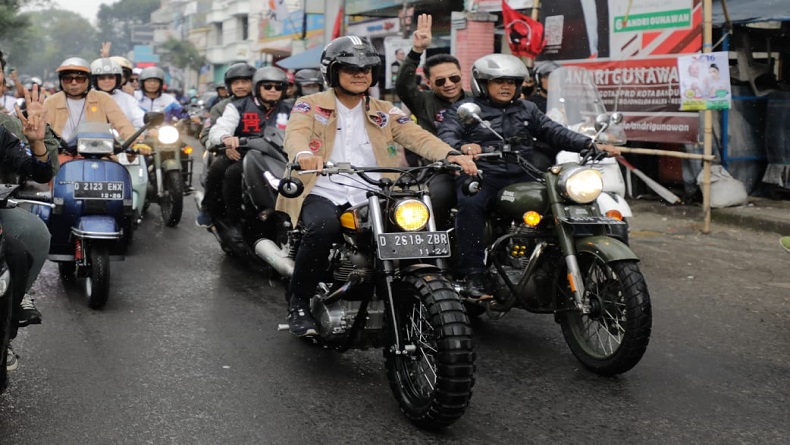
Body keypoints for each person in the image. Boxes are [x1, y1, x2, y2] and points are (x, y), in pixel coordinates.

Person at [275, 36, 478, 337]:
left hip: (375, 190)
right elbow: (296, 134)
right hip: (324, 188)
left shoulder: (386, 109)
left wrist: (451, 154)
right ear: (332, 72)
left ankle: (413, 295)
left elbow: (417, 136)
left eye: (367, 69)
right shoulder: (310, 104)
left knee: (412, 230)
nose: (360, 74)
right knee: (321, 229)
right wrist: (303, 154)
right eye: (350, 68)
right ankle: (299, 302)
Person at [437, 54, 621, 296]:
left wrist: (590, 145)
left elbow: (554, 131)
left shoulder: (527, 109)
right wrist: (462, 148)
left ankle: (573, 260)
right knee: (471, 203)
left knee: (567, 199)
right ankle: (473, 273)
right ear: (481, 83)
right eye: (499, 81)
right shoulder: (466, 110)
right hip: (483, 174)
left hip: (522, 172)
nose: (506, 86)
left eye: (512, 82)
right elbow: (446, 135)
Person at [395, 13, 473, 229]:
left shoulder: (476, 99)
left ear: (461, 76)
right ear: (429, 83)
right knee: (437, 198)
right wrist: (416, 50)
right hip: (439, 170)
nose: (449, 84)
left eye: (454, 78)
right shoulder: (423, 100)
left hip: (479, 167)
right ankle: (433, 246)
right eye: (440, 80)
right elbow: (403, 85)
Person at [0, 85, 56, 364]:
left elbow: (40, 171)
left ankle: (5, 333)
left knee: (20, 250)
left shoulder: (3, 132)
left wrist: (37, 143)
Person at [203, 67, 292, 227]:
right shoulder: (234, 106)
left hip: (278, 156)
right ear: (258, 87)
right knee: (228, 172)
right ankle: (228, 218)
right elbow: (218, 129)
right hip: (242, 154)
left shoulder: (291, 109)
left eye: (278, 87)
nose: (273, 90)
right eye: (267, 87)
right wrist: (226, 139)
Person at [44, 57, 137, 144]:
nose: (74, 83)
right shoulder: (51, 102)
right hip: (61, 154)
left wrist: (137, 143)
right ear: (61, 81)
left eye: (80, 79)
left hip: (98, 153)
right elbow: (43, 131)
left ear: (89, 80)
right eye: (67, 79)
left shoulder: (103, 98)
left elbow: (122, 124)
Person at [198, 62, 256, 151]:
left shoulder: (264, 103)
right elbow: (207, 134)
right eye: (236, 83)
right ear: (229, 86)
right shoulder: (220, 107)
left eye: (244, 82)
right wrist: (224, 146)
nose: (240, 86)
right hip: (229, 151)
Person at [90, 57, 145, 128]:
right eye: (102, 78)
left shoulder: (128, 99)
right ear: (94, 80)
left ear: (117, 79)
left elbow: (139, 117)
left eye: (111, 77)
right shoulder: (86, 96)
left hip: (123, 138)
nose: (107, 81)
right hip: (90, 137)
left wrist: (150, 125)